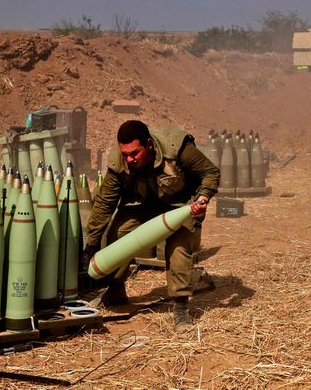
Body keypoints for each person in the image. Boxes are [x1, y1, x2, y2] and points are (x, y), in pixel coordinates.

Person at [84, 120, 220, 331]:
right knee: (118, 233)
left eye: (134, 153)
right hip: (141, 203)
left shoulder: (177, 149)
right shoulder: (119, 161)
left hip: (179, 204)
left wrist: (203, 198)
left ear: (149, 144)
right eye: (125, 154)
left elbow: (210, 172)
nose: (129, 159)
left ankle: (180, 307)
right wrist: (92, 243)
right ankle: (115, 290)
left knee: (179, 246)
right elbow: (104, 202)